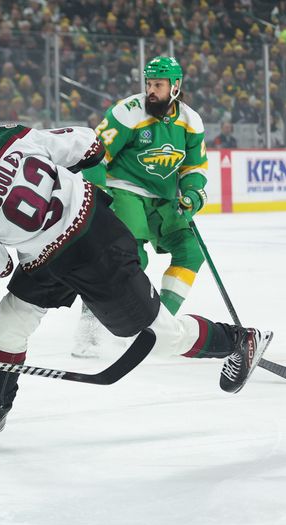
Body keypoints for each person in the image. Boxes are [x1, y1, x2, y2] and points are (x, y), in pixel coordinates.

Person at [0, 99, 271, 449]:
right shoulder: (11, 136)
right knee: (8, 322)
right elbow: (89, 144)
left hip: (94, 250)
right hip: (67, 243)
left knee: (160, 338)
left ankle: (239, 340)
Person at [73, 56, 209, 357]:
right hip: (125, 191)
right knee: (126, 258)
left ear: (176, 87)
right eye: (149, 84)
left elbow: (195, 167)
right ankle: (91, 325)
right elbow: (96, 153)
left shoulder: (191, 121)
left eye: (158, 85)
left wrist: (193, 194)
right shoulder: (128, 112)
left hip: (165, 200)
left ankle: (157, 323)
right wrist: (98, 192)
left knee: (190, 252)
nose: (151, 90)